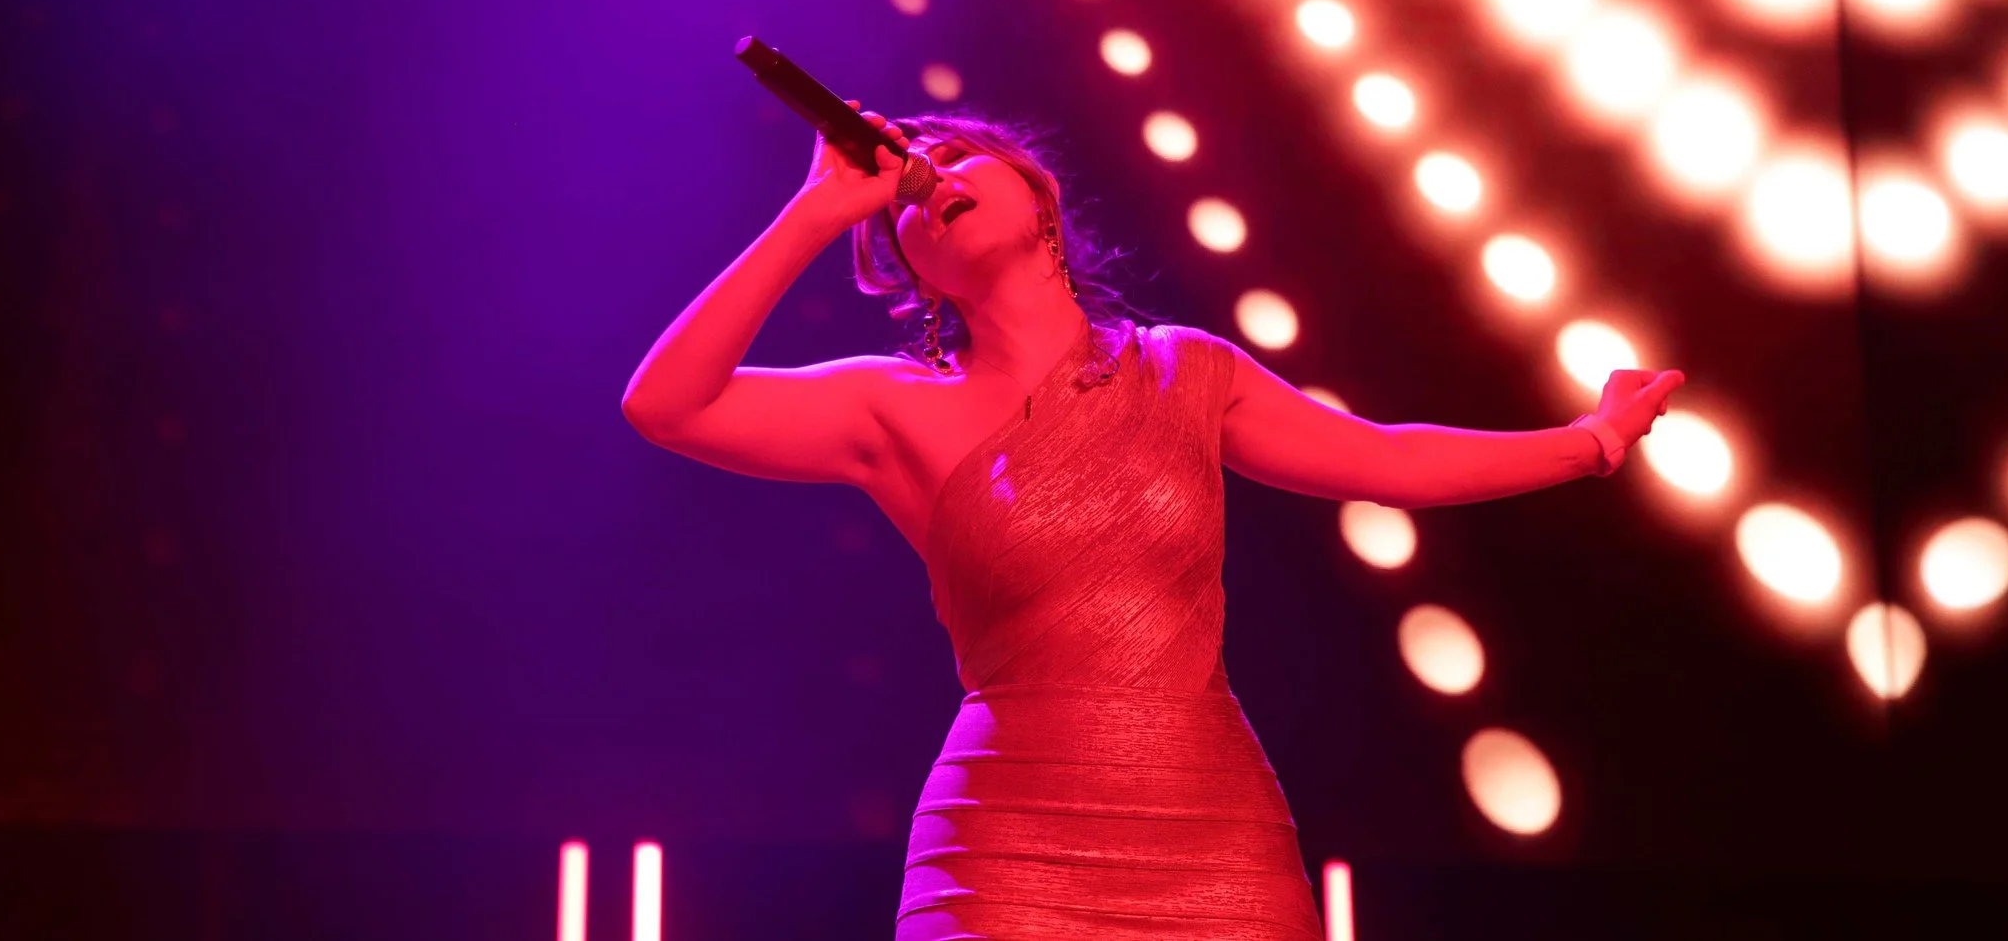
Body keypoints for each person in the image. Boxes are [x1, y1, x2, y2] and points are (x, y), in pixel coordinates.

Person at [623, 106, 1682, 938]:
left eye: (956, 156)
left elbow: (1389, 459)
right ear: (914, 273)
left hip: (1211, 826)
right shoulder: (890, 406)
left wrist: (1588, 440)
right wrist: (817, 210)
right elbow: (666, 404)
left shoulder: (1186, 370)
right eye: (905, 191)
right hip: (1006, 842)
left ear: (1039, 195)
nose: (930, 177)